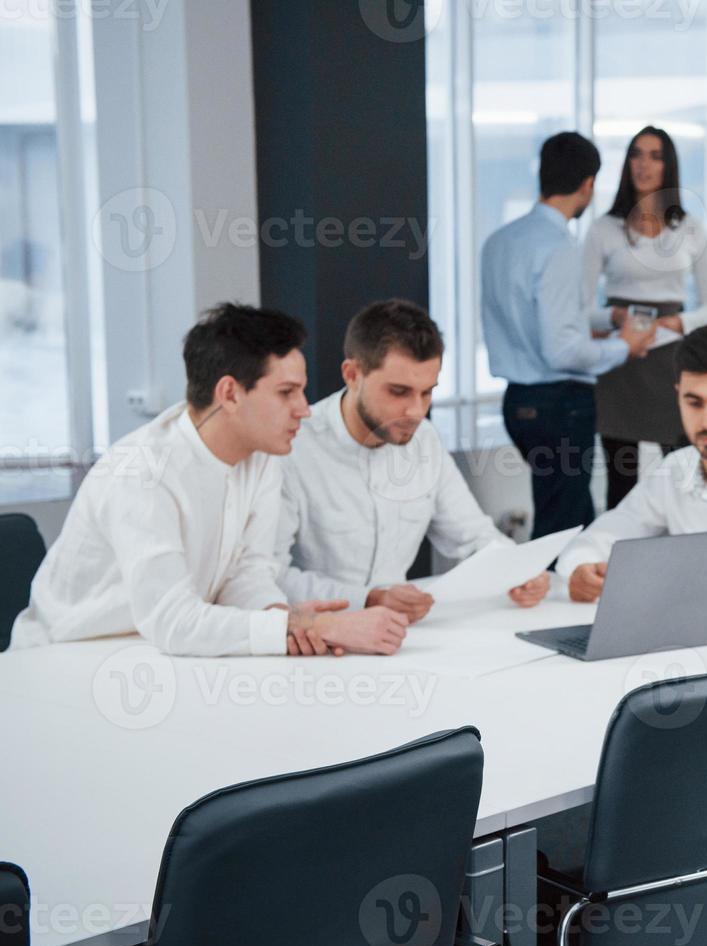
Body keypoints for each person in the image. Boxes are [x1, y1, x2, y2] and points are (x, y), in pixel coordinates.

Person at [11, 304, 407, 657]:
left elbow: (246, 575)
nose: (304, 410)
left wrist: (283, 619)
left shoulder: (262, 457)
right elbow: (172, 619)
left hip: (155, 652)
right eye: (287, 392)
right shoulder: (142, 472)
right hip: (65, 659)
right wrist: (297, 627)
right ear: (230, 394)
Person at [275, 299, 549, 627]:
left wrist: (518, 569)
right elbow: (269, 575)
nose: (417, 411)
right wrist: (368, 599)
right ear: (352, 374)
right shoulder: (293, 449)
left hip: (402, 639)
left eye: (427, 393)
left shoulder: (425, 441)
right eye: (399, 392)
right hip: (321, 641)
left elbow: (472, 535)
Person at [482, 132, 658, 539]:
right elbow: (562, 350)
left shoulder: (500, 241)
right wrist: (624, 347)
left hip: (519, 404)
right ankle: (551, 595)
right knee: (563, 530)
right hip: (560, 406)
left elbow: (532, 312)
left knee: (572, 517)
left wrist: (603, 315)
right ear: (588, 185)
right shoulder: (560, 247)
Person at [557, 324, 707, 603]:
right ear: (678, 396)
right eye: (694, 403)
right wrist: (580, 569)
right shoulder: (674, 471)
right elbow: (597, 540)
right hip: (688, 638)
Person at [582, 125, 707, 508]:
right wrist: (613, 318)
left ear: (668, 166)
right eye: (636, 154)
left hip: (670, 362)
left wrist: (673, 323)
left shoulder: (690, 228)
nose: (644, 164)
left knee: (681, 475)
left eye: (655, 156)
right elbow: (579, 312)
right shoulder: (603, 230)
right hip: (619, 360)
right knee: (620, 482)